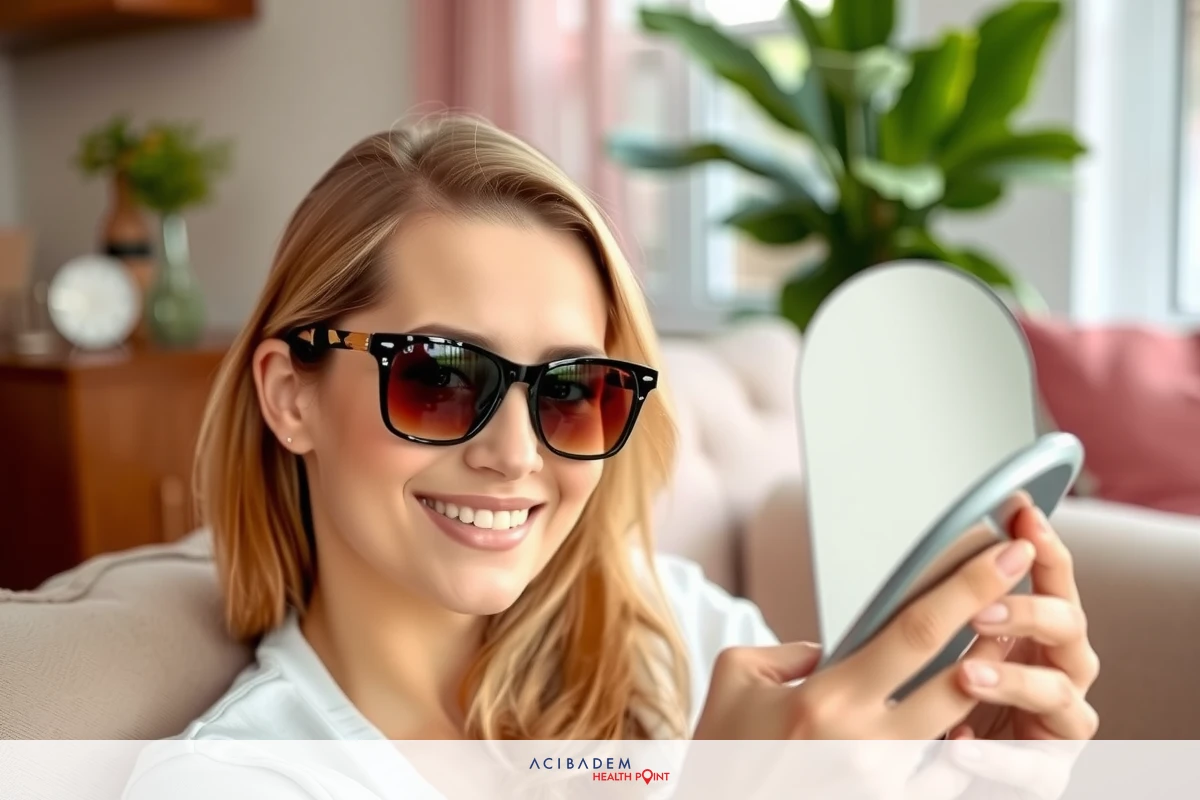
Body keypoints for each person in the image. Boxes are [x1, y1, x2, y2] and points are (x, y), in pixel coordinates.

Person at [123, 115, 1099, 798]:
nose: (516, 455)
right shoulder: (234, 780)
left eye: (570, 390)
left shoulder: (685, 633)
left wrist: (959, 770)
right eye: (441, 376)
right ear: (291, 395)